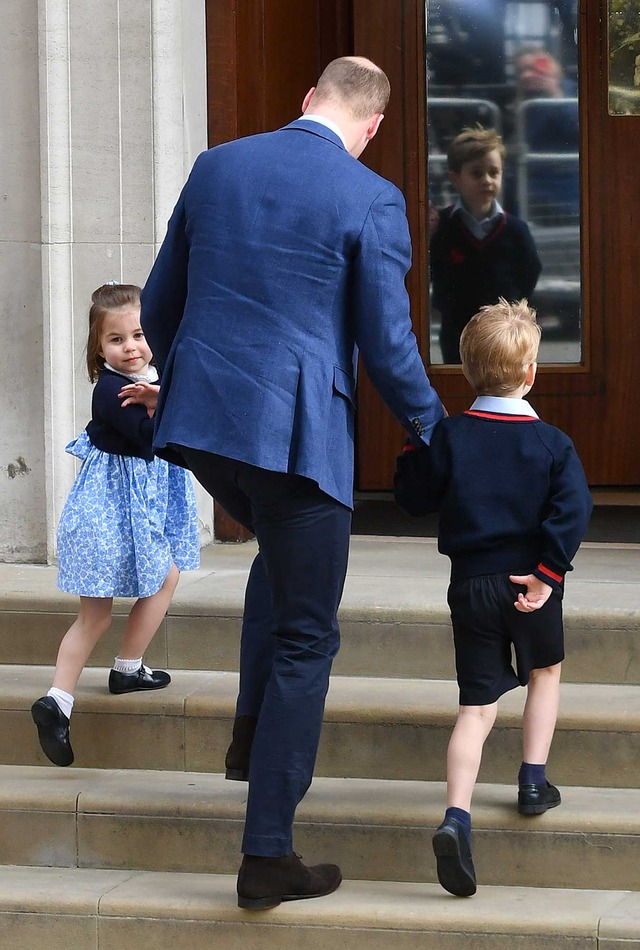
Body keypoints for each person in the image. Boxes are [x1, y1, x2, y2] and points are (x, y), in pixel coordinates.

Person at [138, 56, 445, 910]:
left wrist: (189, 385)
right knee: (309, 639)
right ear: (372, 126)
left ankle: (251, 736)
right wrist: (436, 431)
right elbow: (388, 345)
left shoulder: (218, 165)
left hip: (204, 429)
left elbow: (158, 307)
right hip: (299, 439)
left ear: (308, 99)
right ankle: (267, 854)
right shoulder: (371, 196)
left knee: (277, 559)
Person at [394, 299, 592, 897]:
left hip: (472, 586)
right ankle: (533, 780)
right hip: (531, 582)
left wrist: (416, 448)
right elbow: (573, 510)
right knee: (545, 673)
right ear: (531, 373)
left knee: (476, 709)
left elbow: (413, 499)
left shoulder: (450, 437)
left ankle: (456, 816)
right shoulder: (553, 444)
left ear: (466, 372)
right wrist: (548, 574)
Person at [31, 283, 200, 768]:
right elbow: (151, 438)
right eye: (116, 339)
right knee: (96, 615)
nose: (130, 347)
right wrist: (159, 402)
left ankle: (126, 669)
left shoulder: (153, 377)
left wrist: (159, 393)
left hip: (131, 511)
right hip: (109, 516)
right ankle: (58, 701)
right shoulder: (112, 391)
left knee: (164, 577)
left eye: (138, 335)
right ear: (98, 348)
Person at [429, 127, 541, 363]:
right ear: (455, 178)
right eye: (477, 173)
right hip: (457, 331)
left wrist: (513, 306)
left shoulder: (516, 229)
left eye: (494, 172)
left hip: (504, 332)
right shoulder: (442, 226)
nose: (487, 180)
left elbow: (530, 270)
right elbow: (432, 268)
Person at [507, 46, 579, 223]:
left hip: (561, 189)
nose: (526, 75)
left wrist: (555, 93)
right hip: (530, 185)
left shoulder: (572, 92)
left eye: (533, 68)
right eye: (521, 71)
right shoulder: (528, 99)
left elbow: (578, 129)